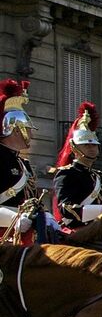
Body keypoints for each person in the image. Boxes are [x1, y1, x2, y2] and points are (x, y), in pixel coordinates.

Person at [51, 101, 102, 230]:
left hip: (99, 230)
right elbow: (66, 208)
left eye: (94, 145)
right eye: (86, 145)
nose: (92, 148)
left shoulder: (98, 177)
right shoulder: (67, 173)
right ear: (74, 148)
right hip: (77, 231)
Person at [0, 79, 43, 243]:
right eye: (28, 129)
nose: (31, 135)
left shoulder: (23, 164)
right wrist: (13, 218)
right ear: (17, 130)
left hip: (25, 238)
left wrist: (45, 215)